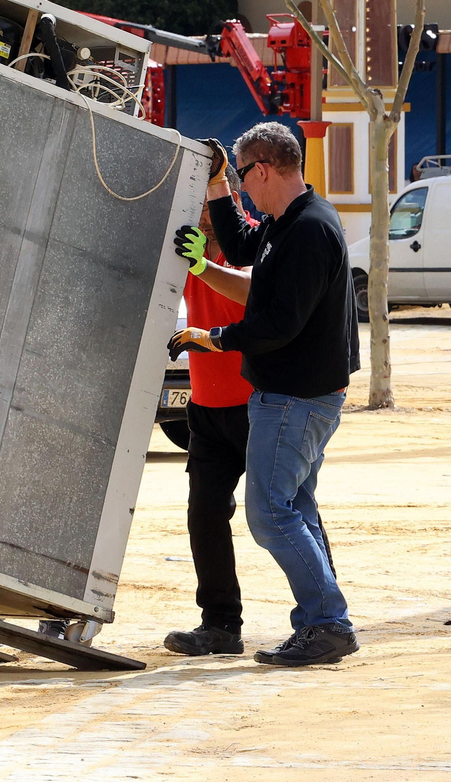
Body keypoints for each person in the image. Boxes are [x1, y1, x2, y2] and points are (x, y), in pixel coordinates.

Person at [168, 123, 360, 666]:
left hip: (296, 397)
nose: (246, 194)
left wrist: (216, 337)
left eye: (245, 179)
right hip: (287, 394)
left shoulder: (307, 231)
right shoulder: (288, 223)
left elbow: (278, 322)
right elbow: (244, 244)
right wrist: (217, 185)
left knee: (271, 515)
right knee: (291, 506)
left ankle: (328, 623)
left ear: (266, 169)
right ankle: (319, 623)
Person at [161, 160, 259, 658]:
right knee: (204, 515)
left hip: (258, 407)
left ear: (228, 204)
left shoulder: (256, 242)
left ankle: (323, 618)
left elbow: (248, 302)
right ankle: (221, 626)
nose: (200, 218)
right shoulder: (186, 249)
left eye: (207, 207)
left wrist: (202, 266)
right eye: (194, 208)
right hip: (206, 407)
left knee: (285, 513)